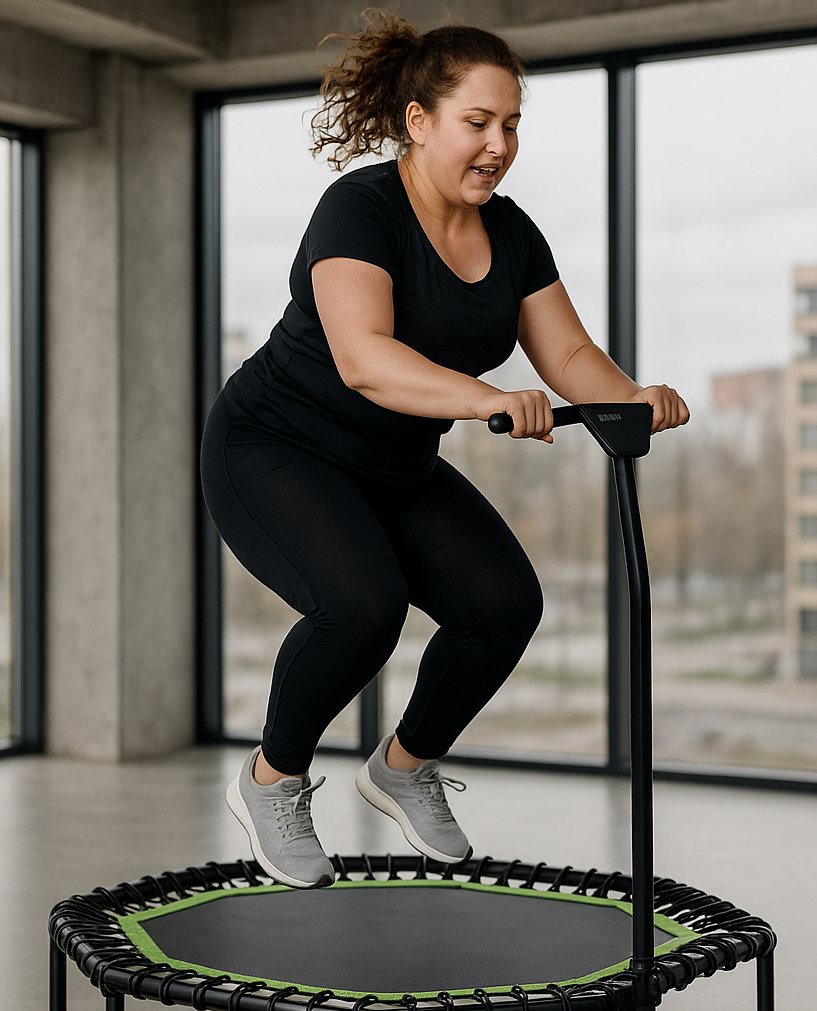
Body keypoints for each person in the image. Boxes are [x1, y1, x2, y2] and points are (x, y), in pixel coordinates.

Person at [199, 10, 689, 890]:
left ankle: (401, 766)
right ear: (419, 121)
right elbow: (365, 359)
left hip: (393, 466)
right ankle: (270, 781)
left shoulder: (511, 231)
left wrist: (631, 399)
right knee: (362, 606)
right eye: (478, 123)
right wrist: (490, 400)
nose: (498, 145)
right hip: (275, 446)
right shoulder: (360, 208)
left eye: (512, 126)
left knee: (503, 603)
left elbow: (568, 354)